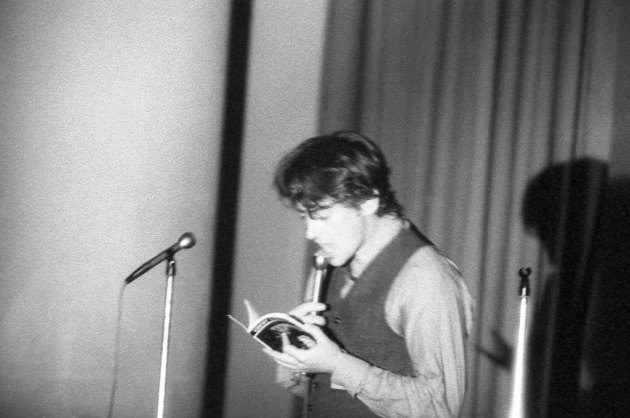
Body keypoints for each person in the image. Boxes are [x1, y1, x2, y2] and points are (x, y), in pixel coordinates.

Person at [264, 131, 474, 417]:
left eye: (322, 217)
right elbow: (318, 391)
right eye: (305, 218)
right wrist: (295, 357)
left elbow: (440, 408)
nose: (311, 233)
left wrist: (338, 364)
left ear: (367, 202)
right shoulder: (327, 266)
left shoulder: (426, 278)